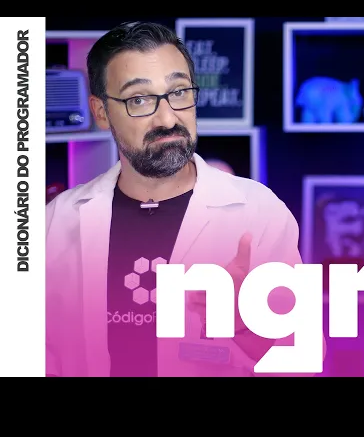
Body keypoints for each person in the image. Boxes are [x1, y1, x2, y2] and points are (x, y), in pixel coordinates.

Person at [45, 21, 325, 377]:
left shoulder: (258, 213)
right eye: (139, 99)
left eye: (178, 92)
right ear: (101, 112)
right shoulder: (57, 222)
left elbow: (304, 359)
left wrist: (245, 323)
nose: (167, 118)